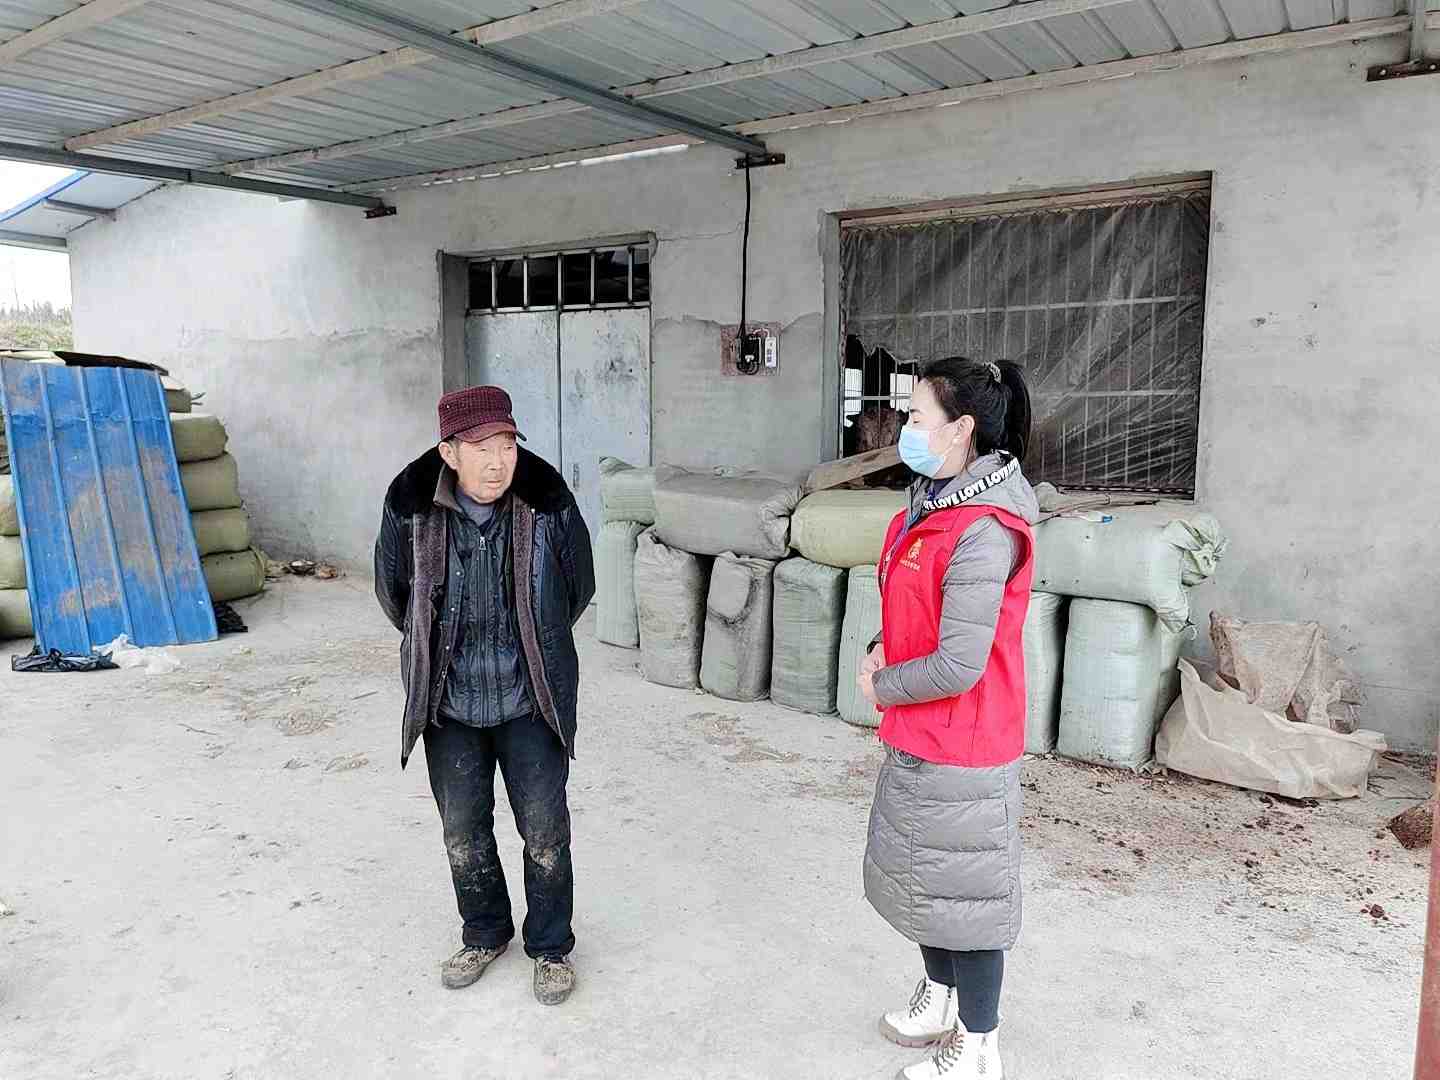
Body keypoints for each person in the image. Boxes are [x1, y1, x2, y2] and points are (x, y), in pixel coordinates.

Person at [374, 385, 595, 1006]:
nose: (499, 462)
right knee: (463, 832)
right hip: (450, 704)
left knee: (545, 829)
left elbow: (577, 586)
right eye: (481, 449)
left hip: (530, 699)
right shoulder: (410, 508)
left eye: (507, 446)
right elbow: (395, 594)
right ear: (449, 453)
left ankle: (550, 946)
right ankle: (485, 932)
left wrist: (538, 641)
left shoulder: (547, 504)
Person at [856, 358, 1038, 1080]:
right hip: (922, 730)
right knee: (926, 878)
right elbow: (917, 609)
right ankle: (939, 997)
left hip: (965, 739)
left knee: (969, 897)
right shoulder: (931, 503)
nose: (903, 428)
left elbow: (961, 663)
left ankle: (980, 1043)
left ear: (961, 429)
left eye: (915, 417)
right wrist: (882, 645)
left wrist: (883, 685)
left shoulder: (984, 528)